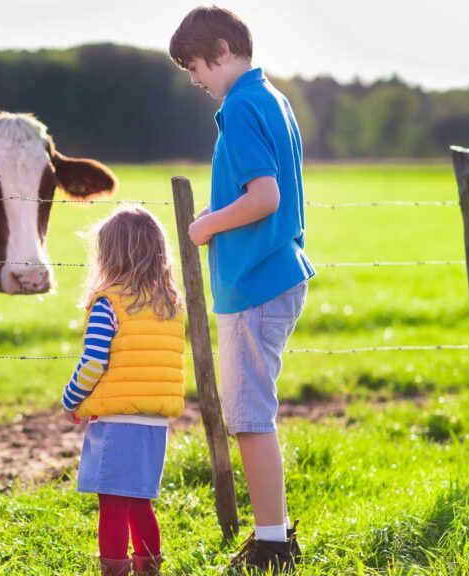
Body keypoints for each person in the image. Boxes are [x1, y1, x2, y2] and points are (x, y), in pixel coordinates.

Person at [169, 5, 316, 573]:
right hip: (271, 271)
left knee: (250, 418)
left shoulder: (241, 105)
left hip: (256, 279)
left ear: (224, 49)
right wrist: (220, 212)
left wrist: (205, 225)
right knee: (250, 414)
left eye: (195, 66)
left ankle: (273, 545)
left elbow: (265, 198)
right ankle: (273, 535)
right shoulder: (271, 98)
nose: (194, 79)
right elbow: (256, 192)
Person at [62, 206, 186, 576]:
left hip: (116, 423)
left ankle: (113, 571)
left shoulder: (109, 303)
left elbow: (93, 362)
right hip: (154, 423)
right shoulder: (168, 305)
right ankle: (149, 569)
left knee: (112, 505)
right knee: (140, 503)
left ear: (108, 256)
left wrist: (72, 399)